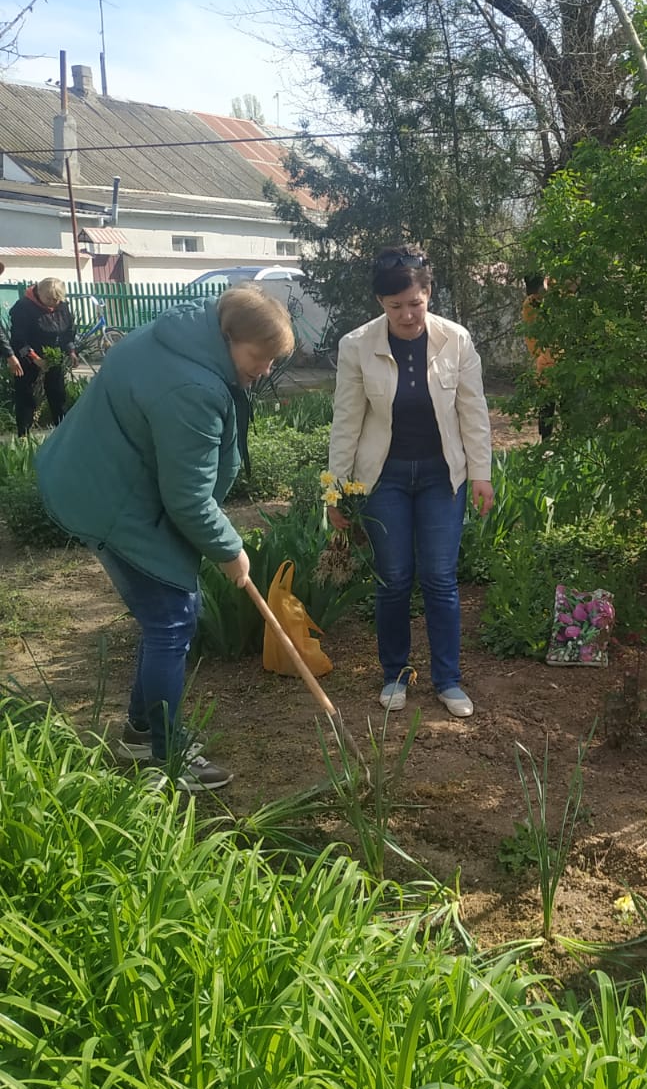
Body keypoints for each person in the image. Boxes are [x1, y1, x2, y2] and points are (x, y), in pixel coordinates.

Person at [36, 285, 294, 790]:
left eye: (272, 360)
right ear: (229, 335)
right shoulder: (191, 388)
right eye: (258, 357)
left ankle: (141, 734)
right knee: (171, 620)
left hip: (106, 475)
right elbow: (188, 499)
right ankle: (164, 754)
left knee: (170, 616)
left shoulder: (183, 332)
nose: (265, 370)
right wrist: (230, 550)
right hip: (113, 499)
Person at [327, 247, 493, 717]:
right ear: (380, 302)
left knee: (439, 578)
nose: (406, 315)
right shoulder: (356, 345)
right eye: (394, 305)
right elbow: (346, 420)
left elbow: (473, 410)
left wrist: (481, 474)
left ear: (428, 293)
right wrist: (335, 489)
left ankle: (448, 681)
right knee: (395, 578)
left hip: (443, 476)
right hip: (385, 478)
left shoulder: (456, 339)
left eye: (414, 303)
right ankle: (395, 675)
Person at [8, 277, 76, 435]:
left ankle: (63, 431)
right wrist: (35, 358)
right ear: (39, 293)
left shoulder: (62, 306)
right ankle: (24, 436)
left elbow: (68, 332)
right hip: (28, 356)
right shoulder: (23, 307)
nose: (52, 303)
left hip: (53, 356)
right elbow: (18, 339)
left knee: (58, 393)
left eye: (56, 299)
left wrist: (71, 351)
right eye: (49, 299)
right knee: (26, 395)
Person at [521, 272, 556, 440]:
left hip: (560, 359)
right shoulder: (531, 305)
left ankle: (566, 440)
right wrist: (542, 355)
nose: (537, 296)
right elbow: (531, 337)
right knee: (547, 404)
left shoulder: (555, 293)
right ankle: (546, 440)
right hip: (546, 361)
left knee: (565, 403)